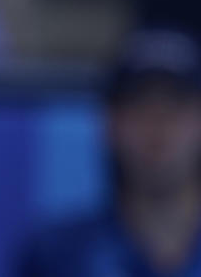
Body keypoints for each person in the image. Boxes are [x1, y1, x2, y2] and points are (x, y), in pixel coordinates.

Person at [18, 28, 201, 277]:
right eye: (140, 108)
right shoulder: (55, 255)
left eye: (176, 107)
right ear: (110, 125)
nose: (158, 126)